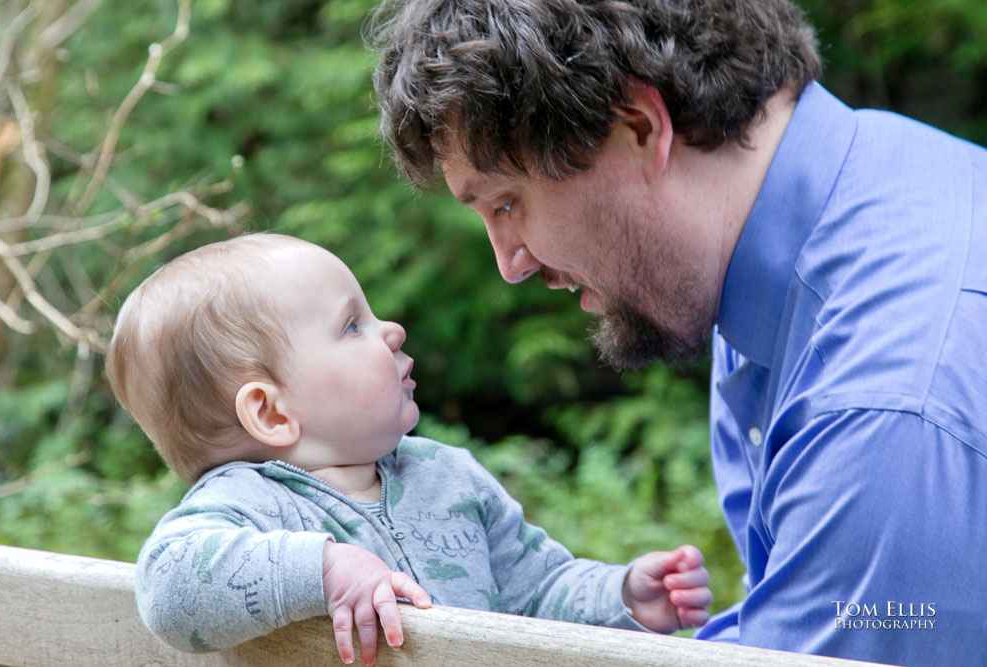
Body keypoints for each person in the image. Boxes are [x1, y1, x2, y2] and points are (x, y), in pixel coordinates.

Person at [370, 1, 987, 665]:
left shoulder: (884, 415)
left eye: (506, 202)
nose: (510, 263)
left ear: (638, 126)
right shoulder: (836, 213)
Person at [106, 233, 712, 665]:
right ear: (270, 412)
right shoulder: (248, 507)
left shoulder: (448, 478)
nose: (391, 330)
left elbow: (536, 592)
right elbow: (169, 590)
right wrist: (324, 569)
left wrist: (620, 596)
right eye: (352, 325)